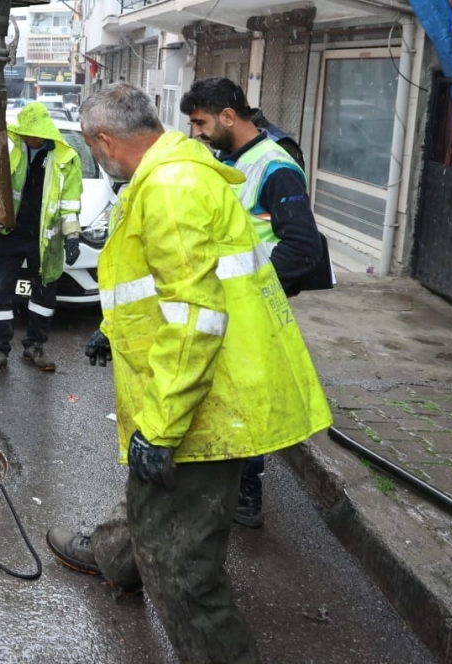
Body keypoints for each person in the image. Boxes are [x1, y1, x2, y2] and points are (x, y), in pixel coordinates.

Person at [44, 84, 331, 664]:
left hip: (207, 395)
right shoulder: (171, 171)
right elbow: (165, 285)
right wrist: (112, 329)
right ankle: (116, 558)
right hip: (207, 381)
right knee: (152, 498)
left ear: (105, 140)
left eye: (92, 147)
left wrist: (161, 427)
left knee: (182, 569)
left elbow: (196, 317)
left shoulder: (170, 188)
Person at [180, 77, 333, 529]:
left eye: (201, 123)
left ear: (229, 116)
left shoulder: (274, 166)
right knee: (225, 398)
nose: (196, 133)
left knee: (244, 402)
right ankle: (220, 486)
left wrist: (252, 289)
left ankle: (246, 496)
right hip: (226, 305)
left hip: (251, 310)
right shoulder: (227, 159)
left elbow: (302, 246)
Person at [0, 101, 83, 375]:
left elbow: (69, 203)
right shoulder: (11, 148)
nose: (29, 138)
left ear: (45, 132)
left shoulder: (66, 159)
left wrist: (72, 236)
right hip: (9, 235)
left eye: (33, 134)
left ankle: (35, 346)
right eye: (25, 133)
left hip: (45, 241)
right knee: (0, 293)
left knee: (44, 296)